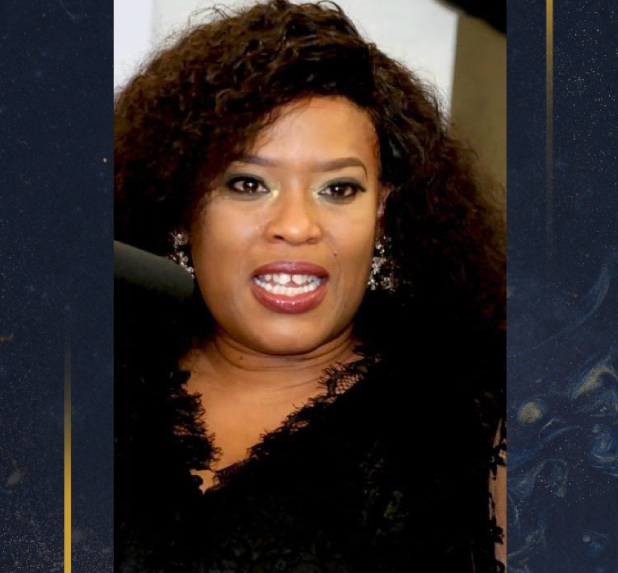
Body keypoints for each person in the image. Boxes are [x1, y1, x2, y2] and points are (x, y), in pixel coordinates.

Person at [114, 1, 506, 571]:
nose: (296, 226)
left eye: (338, 189)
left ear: (382, 212)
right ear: (183, 205)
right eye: (248, 184)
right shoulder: (91, 379)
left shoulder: (479, 416)